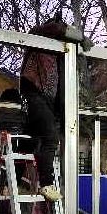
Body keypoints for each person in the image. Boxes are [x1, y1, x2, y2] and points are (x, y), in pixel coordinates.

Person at [20, 15, 91, 201]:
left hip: (47, 100)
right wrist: (80, 37)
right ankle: (46, 184)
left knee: (35, 140)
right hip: (33, 93)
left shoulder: (60, 54)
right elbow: (55, 29)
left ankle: (18, 179)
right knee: (50, 138)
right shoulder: (40, 36)